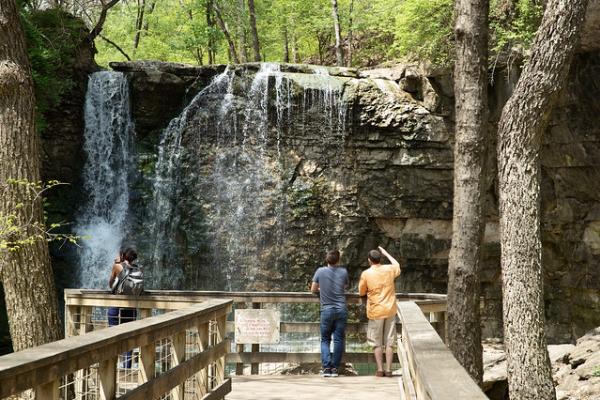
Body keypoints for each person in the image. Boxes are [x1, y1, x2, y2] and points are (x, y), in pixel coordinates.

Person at [358, 246, 401, 377]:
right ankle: (388, 370)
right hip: (390, 309)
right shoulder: (389, 269)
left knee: (376, 342)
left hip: (376, 311)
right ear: (380, 258)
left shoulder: (366, 274)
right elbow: (397, 265)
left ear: (369, 260)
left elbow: (361, 292)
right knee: (389, 341)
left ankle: (380, 369)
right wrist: (387, 253)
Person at [311, 249, 349, 378]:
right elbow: (343, 287)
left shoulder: (320, 271)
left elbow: (313, 290)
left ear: (326, 259)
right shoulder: (343, 272)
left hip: (326, 309)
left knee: (325, 339)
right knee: (338, 340)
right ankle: (335, 369)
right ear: (338, 260)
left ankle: (326, 368)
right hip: (341, 309)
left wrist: (322, 289)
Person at [108, 246, 139, 368]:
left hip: (116, 306)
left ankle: (111, 364)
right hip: (131, 306)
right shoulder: (137, 268)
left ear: (122, 255)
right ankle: (127, 365)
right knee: (129, 335)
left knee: (112, 334)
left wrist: (115, 265)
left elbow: (111, 284)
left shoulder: (117, 266)